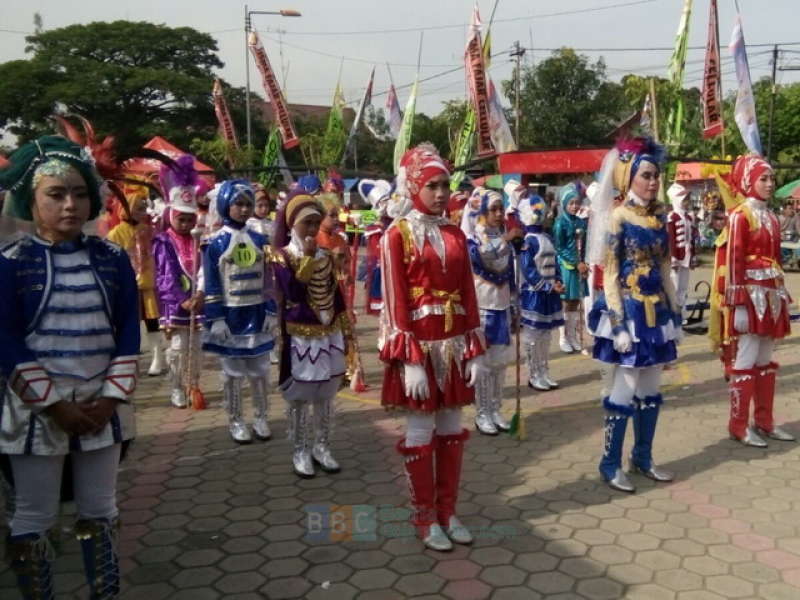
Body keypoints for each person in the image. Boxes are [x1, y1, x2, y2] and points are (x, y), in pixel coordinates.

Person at [0, 135, 140, 598]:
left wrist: (110, 399)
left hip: (103, 405)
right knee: (35, 516)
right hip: (37, 413)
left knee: (100, 509)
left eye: (80, 194)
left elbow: (127, 331)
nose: (70, 205)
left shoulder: (113, 258)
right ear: (30, 200)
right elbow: (7, 340)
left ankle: (105, 592)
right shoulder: (11, 263)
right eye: (55, 195)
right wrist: (55, 405)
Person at [380, 143, 487, 551]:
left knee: (451, 429)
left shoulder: (455, 232)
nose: (441, 194)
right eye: (432, 186)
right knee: (421, 429)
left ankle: (448, 510)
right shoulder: (396, 235)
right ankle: (424, 516)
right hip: (420, 348)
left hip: (454, 345)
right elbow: (394, 301)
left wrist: (474, 347)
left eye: (445, 185)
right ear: (413, 188)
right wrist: (409, 359)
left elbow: (467, 293)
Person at [587, 137, 681, 493]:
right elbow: (609, 276)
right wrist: (617, 324)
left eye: (656, 174)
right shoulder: (617, 218)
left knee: (652, 389)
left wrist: (676, 311)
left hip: (657, 312)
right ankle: (609, 464)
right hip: (628, 311)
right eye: (646, 175)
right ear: (629, 179)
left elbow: (665, 265)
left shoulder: (659, 217)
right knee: (624, 389)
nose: (654, 181)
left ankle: (642, 457)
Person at [716, 155, 794, 446]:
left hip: (771, 295)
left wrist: (782, 294)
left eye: (772, 179)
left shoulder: (772, 218)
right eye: (764, 178)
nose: (770, 184)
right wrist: (736, 302)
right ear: (749, 181)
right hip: (749, 295)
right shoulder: (739, 216)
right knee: (746, 357)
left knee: (765, 359)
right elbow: (734, 259)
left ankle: (764, 421)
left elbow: (775, 259)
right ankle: (738, 424)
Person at [270, 192, 347, 477]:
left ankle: (322, 446)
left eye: (317, 222)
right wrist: (308, 259)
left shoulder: (326, 255)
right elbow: (292, 291)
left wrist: (345, 330)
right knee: (301, 395)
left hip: (328, 332)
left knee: (326, 394)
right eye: (307, 223)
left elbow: (335, 294)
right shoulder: (281, 256)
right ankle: (301, 449)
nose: (313, 229)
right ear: (292, 225)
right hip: (300, 335)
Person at [203, 179, 276, 444]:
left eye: (248, 204)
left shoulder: (260, 239)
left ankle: (261, 417)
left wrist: (271, 309)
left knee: (260, 369)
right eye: (238, 204)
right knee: (232, 373)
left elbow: (269, 279)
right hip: (230, 317)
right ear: (225, 205)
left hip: (256, 314)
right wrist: (216, 318)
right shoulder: (214, 243)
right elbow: (211, 282)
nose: (244, 210)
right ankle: (236, 421)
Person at [462, 189, 519, 434]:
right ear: (482, 210)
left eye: (500, 209)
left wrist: (516, 304)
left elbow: (512, 272)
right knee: (483, 364)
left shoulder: (503, 236)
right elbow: (483, 257)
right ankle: (482, 413)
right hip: (482, 308)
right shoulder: (472, 238)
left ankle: (496, 409)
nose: (498, 214)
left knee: (500, 363)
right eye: (493, 209)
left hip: (502, 306)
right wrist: (506, 240)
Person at [152, 155, 205, 409]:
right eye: (180, 218)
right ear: (171, 215)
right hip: (176, 306)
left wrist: (200, 296)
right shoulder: (163, 242)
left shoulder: (198, 240)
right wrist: (182, 300)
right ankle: (175, 387)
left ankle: (192, 384)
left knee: (195, 350)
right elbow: (165, 275)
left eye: (189, 218)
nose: (185, 224)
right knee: (177, 349)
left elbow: (205, 270)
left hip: (197, 304)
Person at [506, 182, 565, 391]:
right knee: (533, 336)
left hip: (549, 293)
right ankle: (534, 374)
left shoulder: (547, 237)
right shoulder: (528, 241)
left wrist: (558, 280)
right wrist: (546, 287)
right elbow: (528, 269)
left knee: (546, 336)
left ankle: (544, 372)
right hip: (535, 295)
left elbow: (555, 261)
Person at [107, 182, 164, 376]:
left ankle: (158, 356)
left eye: (144, 208)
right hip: (127, 286)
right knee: (129, 322)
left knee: (152, 320)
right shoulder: (115, 234)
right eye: (138, 208)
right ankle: (128, 359)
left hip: (148, 284)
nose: (142, 212)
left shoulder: (149, 231)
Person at [553, 183, 589, 353]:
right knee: (566, 301)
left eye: (577, 202)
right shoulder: (560, 223)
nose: (575, 206)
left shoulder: (581, 222)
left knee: (576, 300)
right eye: (571, 203)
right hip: (566, 266)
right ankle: (563, 337)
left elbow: (585, 245)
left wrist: (584, 262)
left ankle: (573, 336)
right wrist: (576, 263)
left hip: (580, 266)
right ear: (564, 204)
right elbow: (559, 247)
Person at [359, 179, 393, 316]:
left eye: (387, 201)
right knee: (378, 279)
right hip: (380, 260)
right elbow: (374, 246)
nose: (386, 204)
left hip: (390, 257)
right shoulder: (373, 222)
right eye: (383, 202)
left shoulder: (390, 219)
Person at [666, 182, 698, 323]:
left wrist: (693, 257)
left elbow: (692, 240)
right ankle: (672, 315)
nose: (687, 203)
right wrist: (673, 259)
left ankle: (681, 314)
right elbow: (671, 239)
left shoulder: (689, 218)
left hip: (686, 257)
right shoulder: (672, 217)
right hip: (676, 259)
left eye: (687, 200)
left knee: (683, 288)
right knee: (674, 287)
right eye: (684, 200)